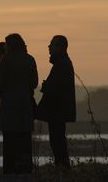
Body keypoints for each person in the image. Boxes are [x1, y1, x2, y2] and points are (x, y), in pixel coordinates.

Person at [0, 33, 38, 174]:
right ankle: (26, 170)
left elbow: (0, 83)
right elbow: (34, 83)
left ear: (10, 45)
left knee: (9, 144)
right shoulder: (30, 59)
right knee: (25, 143)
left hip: (9, 108)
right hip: (25, 107)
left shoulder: (6, 60)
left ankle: (10, 172)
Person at [36, 35, 76, 168]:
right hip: (58, 111)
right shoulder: (62, 63)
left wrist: (47, 87)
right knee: (57, 140)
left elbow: (57, 89)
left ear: (59, 47)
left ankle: (62, 168)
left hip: (57, 111)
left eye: (52, 45)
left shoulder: (62, 64)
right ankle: (62, 167)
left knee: (57, 141)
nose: (49, 47)